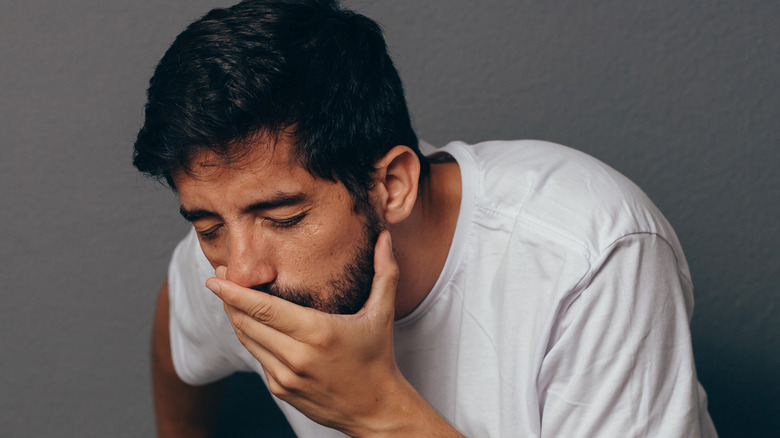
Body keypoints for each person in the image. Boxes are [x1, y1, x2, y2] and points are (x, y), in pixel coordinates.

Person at [133, 0, 718, 436]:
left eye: (284, 217)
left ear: (392, 186)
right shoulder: (241, 256)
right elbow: (176, 331)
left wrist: (377, 410)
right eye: (207, 227)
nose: (241, 272)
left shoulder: (591, 255)